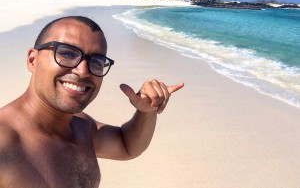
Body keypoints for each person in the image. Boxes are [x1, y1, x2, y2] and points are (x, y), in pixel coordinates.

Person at [0, 16, 184, 188]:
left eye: (96, 62)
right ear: (33, 60)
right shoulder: (4, 144)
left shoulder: (82, 127)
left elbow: (127, 146)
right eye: (67, 53)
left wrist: (146, 112)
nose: (82, 71)